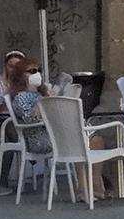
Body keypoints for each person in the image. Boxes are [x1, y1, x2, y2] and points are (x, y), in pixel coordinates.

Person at [8, 58, 109, 199]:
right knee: (77, 140)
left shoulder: (41, 93)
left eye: (39, 71)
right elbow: (30, 118)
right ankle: (83, 188)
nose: (37, 74)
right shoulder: (20, 97)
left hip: (56, 133)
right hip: (39, 138)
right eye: (32, 71)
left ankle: (96, 184)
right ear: (21, 75)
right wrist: (44, 102)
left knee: (96, 140)